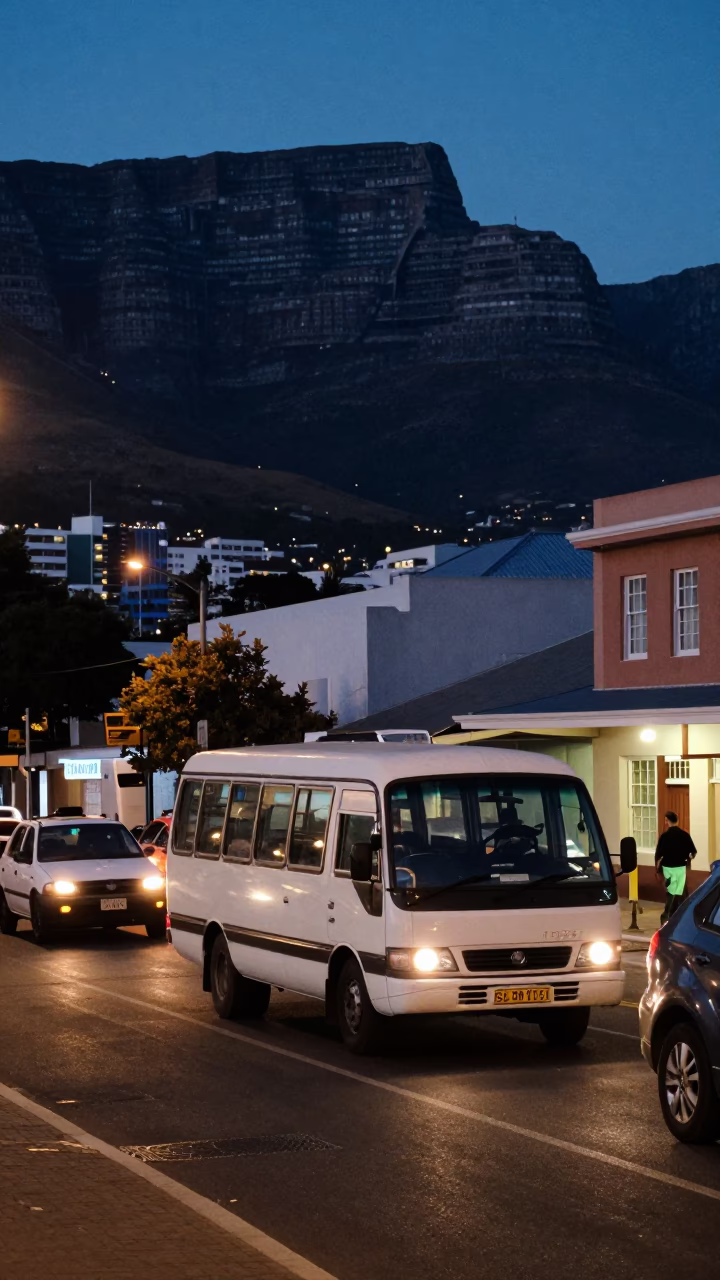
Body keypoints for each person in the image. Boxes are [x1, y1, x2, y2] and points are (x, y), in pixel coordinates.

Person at [655, 811, 696, 923]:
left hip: (668, 868)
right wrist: (688, 859)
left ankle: (667, 916)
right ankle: (677, 916)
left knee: (671, 892)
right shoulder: (685, 835)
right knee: (680, 892)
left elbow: (658, 854)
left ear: (667, 820)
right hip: (680, 867)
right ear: (677, 821)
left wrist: (658, 871)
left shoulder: (664, 837)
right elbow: (692, 852)